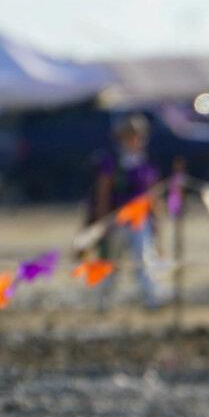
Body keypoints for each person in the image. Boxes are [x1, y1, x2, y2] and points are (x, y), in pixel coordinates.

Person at [85, 113, 164, 309]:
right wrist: (102, 222)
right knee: (110, 262)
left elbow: (151, 194)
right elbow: (103, 193)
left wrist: (156, 221)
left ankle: (150, 298)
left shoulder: (145, 162)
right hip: (116, 221)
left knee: (144, 258)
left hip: (140, 220)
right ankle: (103, 301)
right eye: (132, 135)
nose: (137, 139)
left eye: (139, 135)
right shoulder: (111, 161)